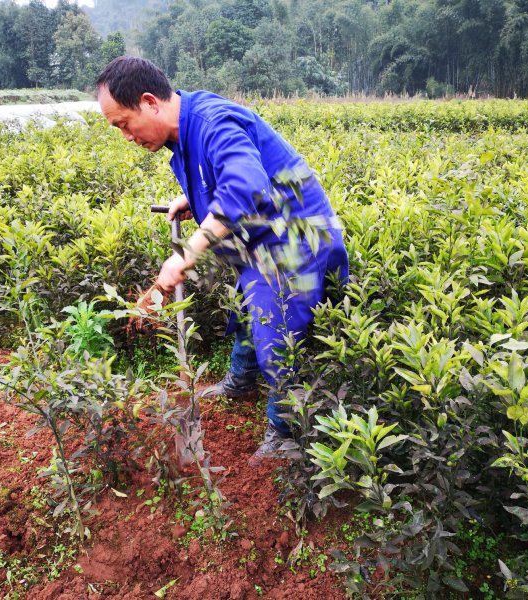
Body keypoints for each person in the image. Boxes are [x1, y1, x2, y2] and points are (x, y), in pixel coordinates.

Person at [95, 56, 348, 463]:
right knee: (246, 310)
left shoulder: (213, 120)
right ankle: (241, 380)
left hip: (295, 240)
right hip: (262, 240)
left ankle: (285, 433)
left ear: (149, 102)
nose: (126, 136)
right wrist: (192, 198)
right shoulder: (183, 131)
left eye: (123, 123)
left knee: (275, 333)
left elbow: (246, 187)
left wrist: (187, 253)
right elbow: (217, 175)